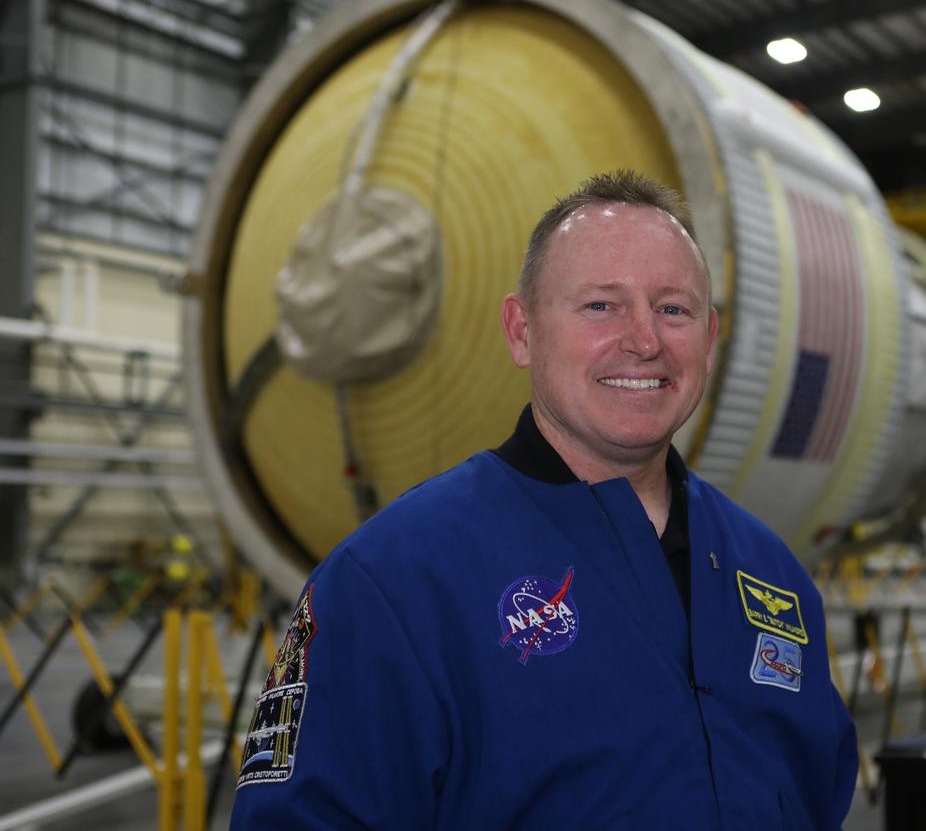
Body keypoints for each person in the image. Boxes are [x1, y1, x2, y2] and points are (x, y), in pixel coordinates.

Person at [230, 171, 858, 829]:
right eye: (601, 305)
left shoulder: (771, 576)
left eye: (674, 309)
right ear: (521, 330)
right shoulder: (393, 581)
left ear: (710, 336)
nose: (645, 340)